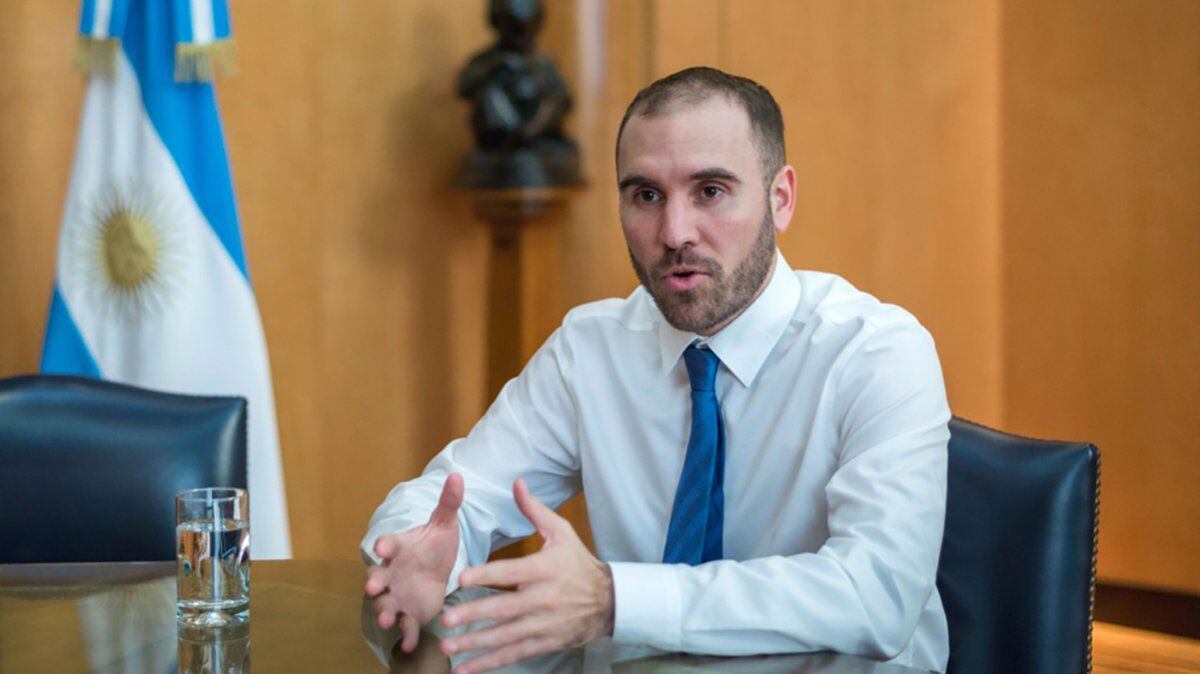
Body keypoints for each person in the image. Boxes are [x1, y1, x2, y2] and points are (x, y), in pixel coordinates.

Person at [362, 66, 951, 674]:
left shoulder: (876, 352)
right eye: (646, 195)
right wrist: (412, 552)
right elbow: (456, 497)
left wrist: (616, 600)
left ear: (781, 199)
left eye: (711, 191)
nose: (674, 233)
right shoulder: (591, 349)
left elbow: (876, 594)